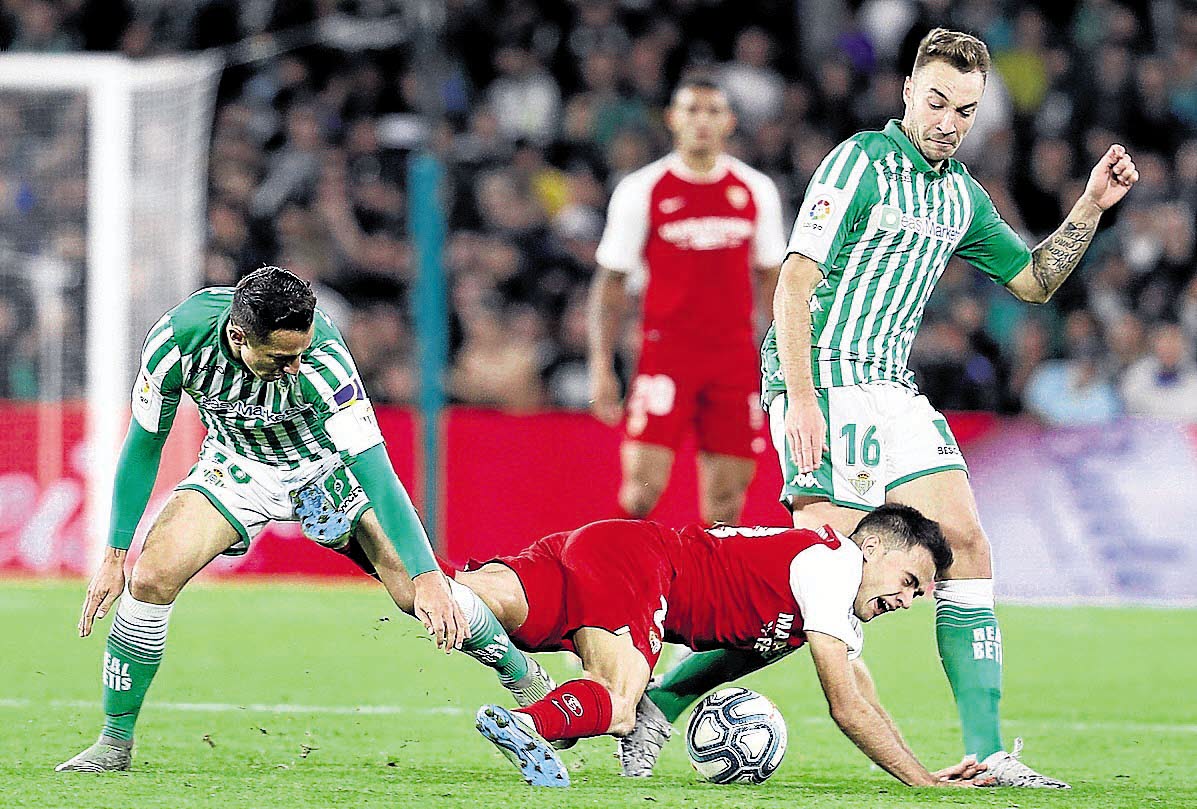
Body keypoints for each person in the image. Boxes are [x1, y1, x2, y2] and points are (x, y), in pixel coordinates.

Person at [622, 28, 1138, 787]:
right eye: (934, 101)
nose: (946, 120)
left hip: (888, 386)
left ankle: (987, 751)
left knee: (965, 541)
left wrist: (1091, 205)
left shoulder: (960, 195)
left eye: (963, 109)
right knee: (816, 584)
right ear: (906, 91)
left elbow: (1031, 281)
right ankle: (661, 700)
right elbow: (793, 284)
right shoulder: (860, 161)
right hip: (823, 379)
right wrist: (799, 401)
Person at [56, 267, 554, 773]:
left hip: (324, 466)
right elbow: (144, 445)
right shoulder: (176, 342)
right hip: (237, 465)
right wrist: (116, 554)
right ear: (237, 336)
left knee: (416, 595)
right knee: (151, 576)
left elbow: (380, 479)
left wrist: (428, 579)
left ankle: (531, 682)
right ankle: (114, 743)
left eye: (300, 353)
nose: (295, 368)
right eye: (280, 358)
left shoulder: (327, 365)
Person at [460, 505, 993, 788]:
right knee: (615, 706)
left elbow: (867, 700)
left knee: (450, 598)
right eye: (907, 581)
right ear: (871, 547)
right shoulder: (834, 568)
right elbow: (847, 709)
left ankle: (376, 529)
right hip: (643, 566)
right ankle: (529, 720)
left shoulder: (831, 599)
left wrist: (923, 768)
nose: (907, 600)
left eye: (919, 595)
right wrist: (922, 787)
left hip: (612, 550)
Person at [589, 76, 786, 525]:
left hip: (734, 359)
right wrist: (600, 366)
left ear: (730, 122)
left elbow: (774, 278)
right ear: (672, 119)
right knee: (640, 492)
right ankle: (611, 582)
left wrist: (783, 359)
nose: (702, 121)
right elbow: (611, 283)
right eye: (691, 110)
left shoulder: (755, 190)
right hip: (666, 355)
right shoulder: (643, 189)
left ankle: (704, 594)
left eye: (713, 111)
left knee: (727, 503)